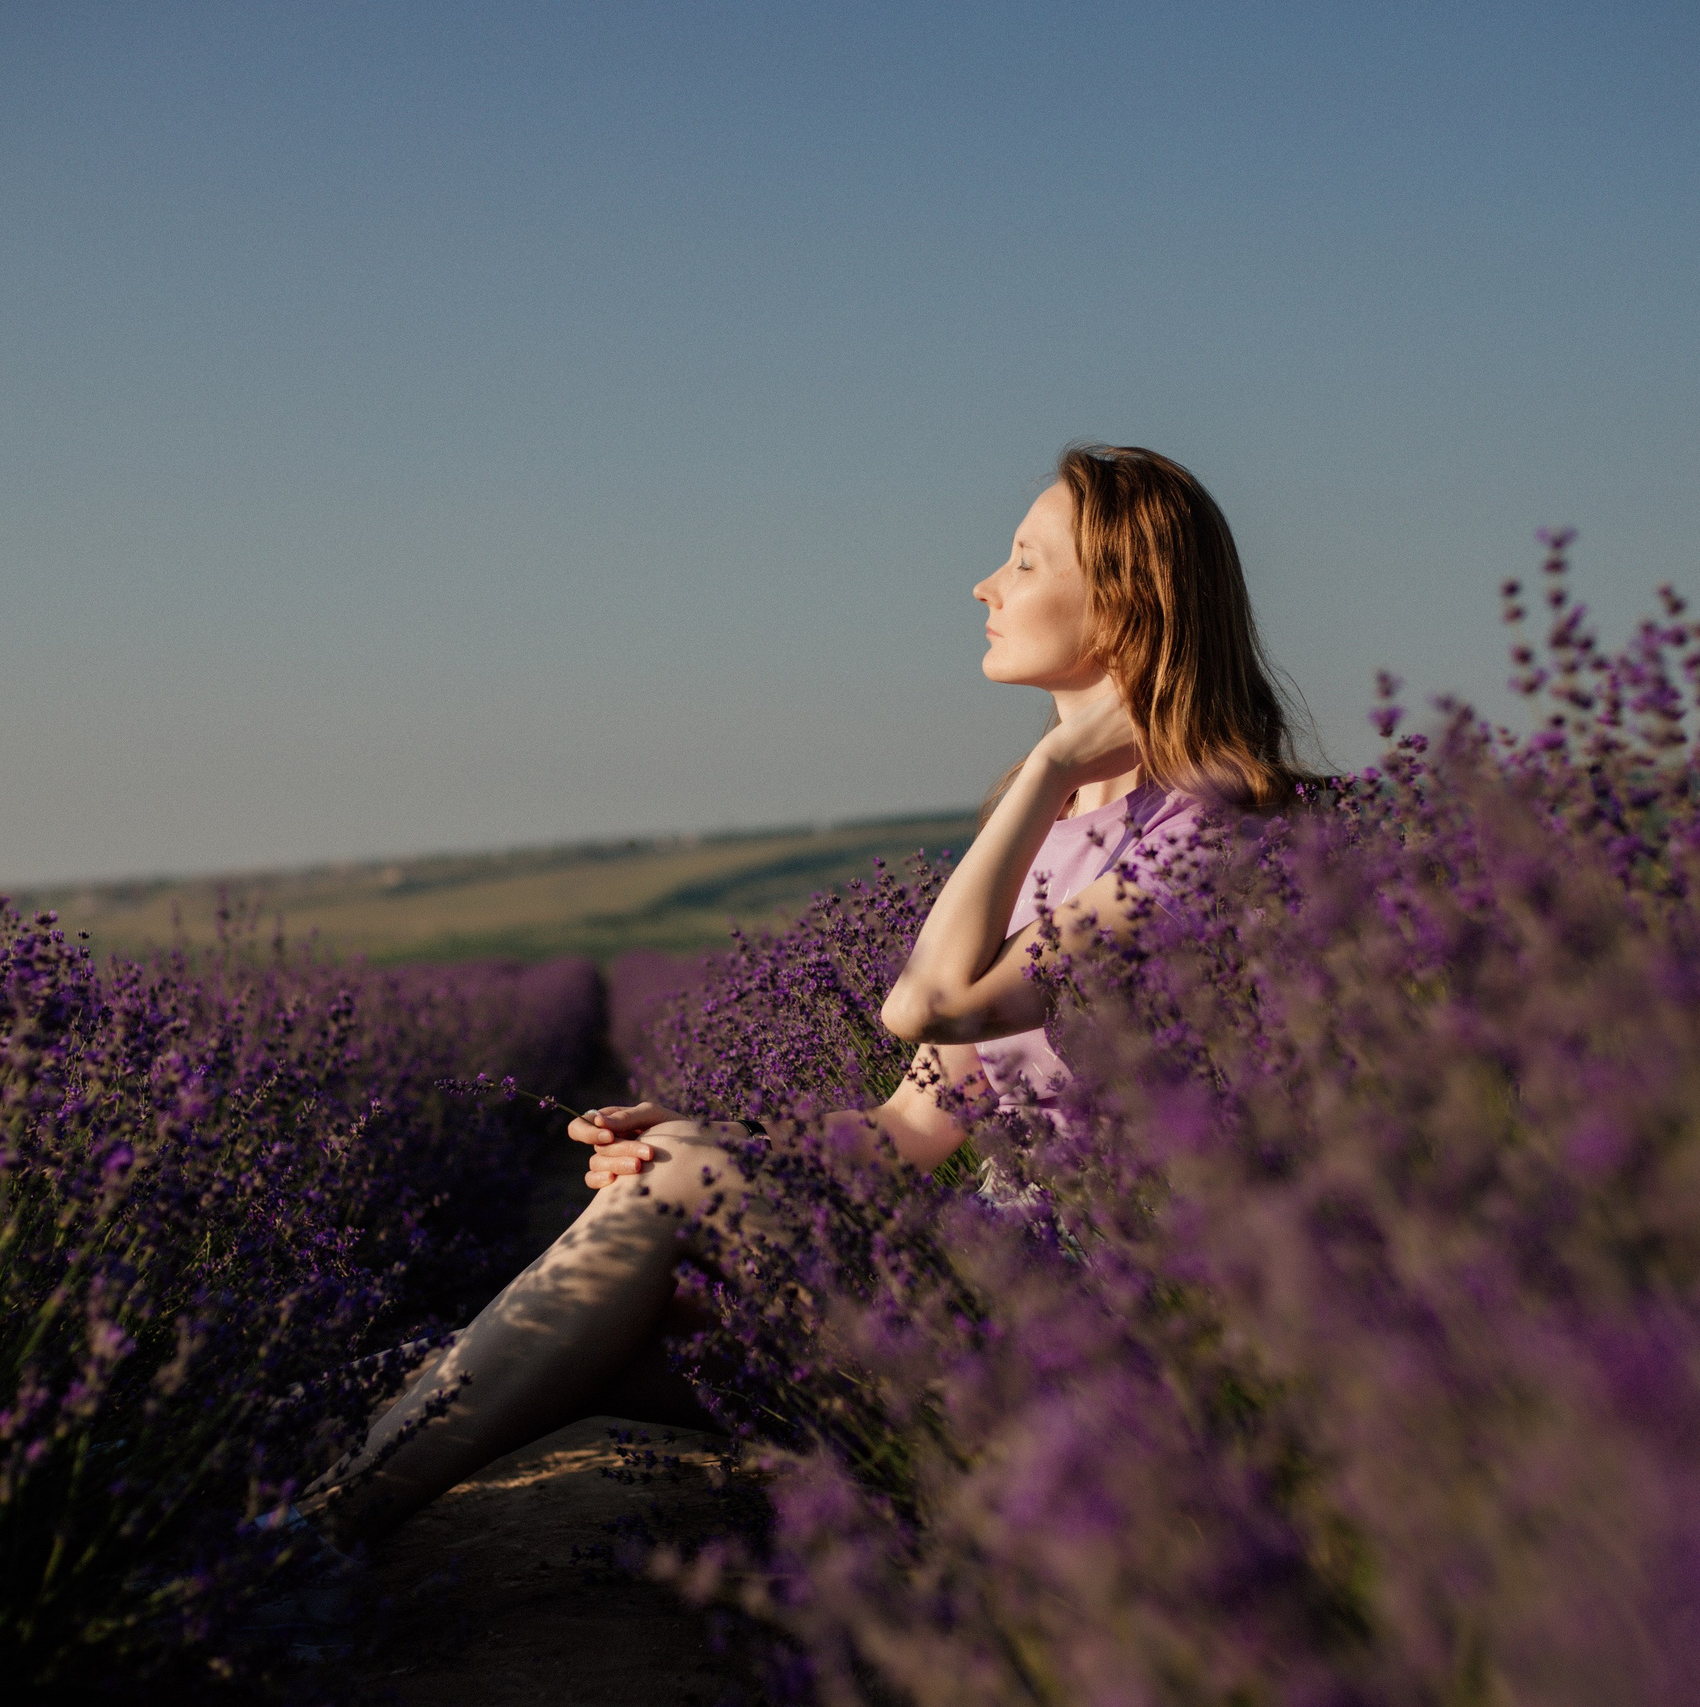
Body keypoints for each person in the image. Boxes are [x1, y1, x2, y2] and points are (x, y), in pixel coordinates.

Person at [305, 444, 1319, 1553]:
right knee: (613, 1300)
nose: (984, 586)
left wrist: (1042, 772)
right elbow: (915, 1122)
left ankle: (294, 1536)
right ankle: (288, 1509)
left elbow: (926, 1009)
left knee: (616, 1262)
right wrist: (714, 1140)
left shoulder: (1211, 838)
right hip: (990, 1292)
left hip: (1108, 1338)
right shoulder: (1071, 828)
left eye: (1022, 563)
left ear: (1125, 605)